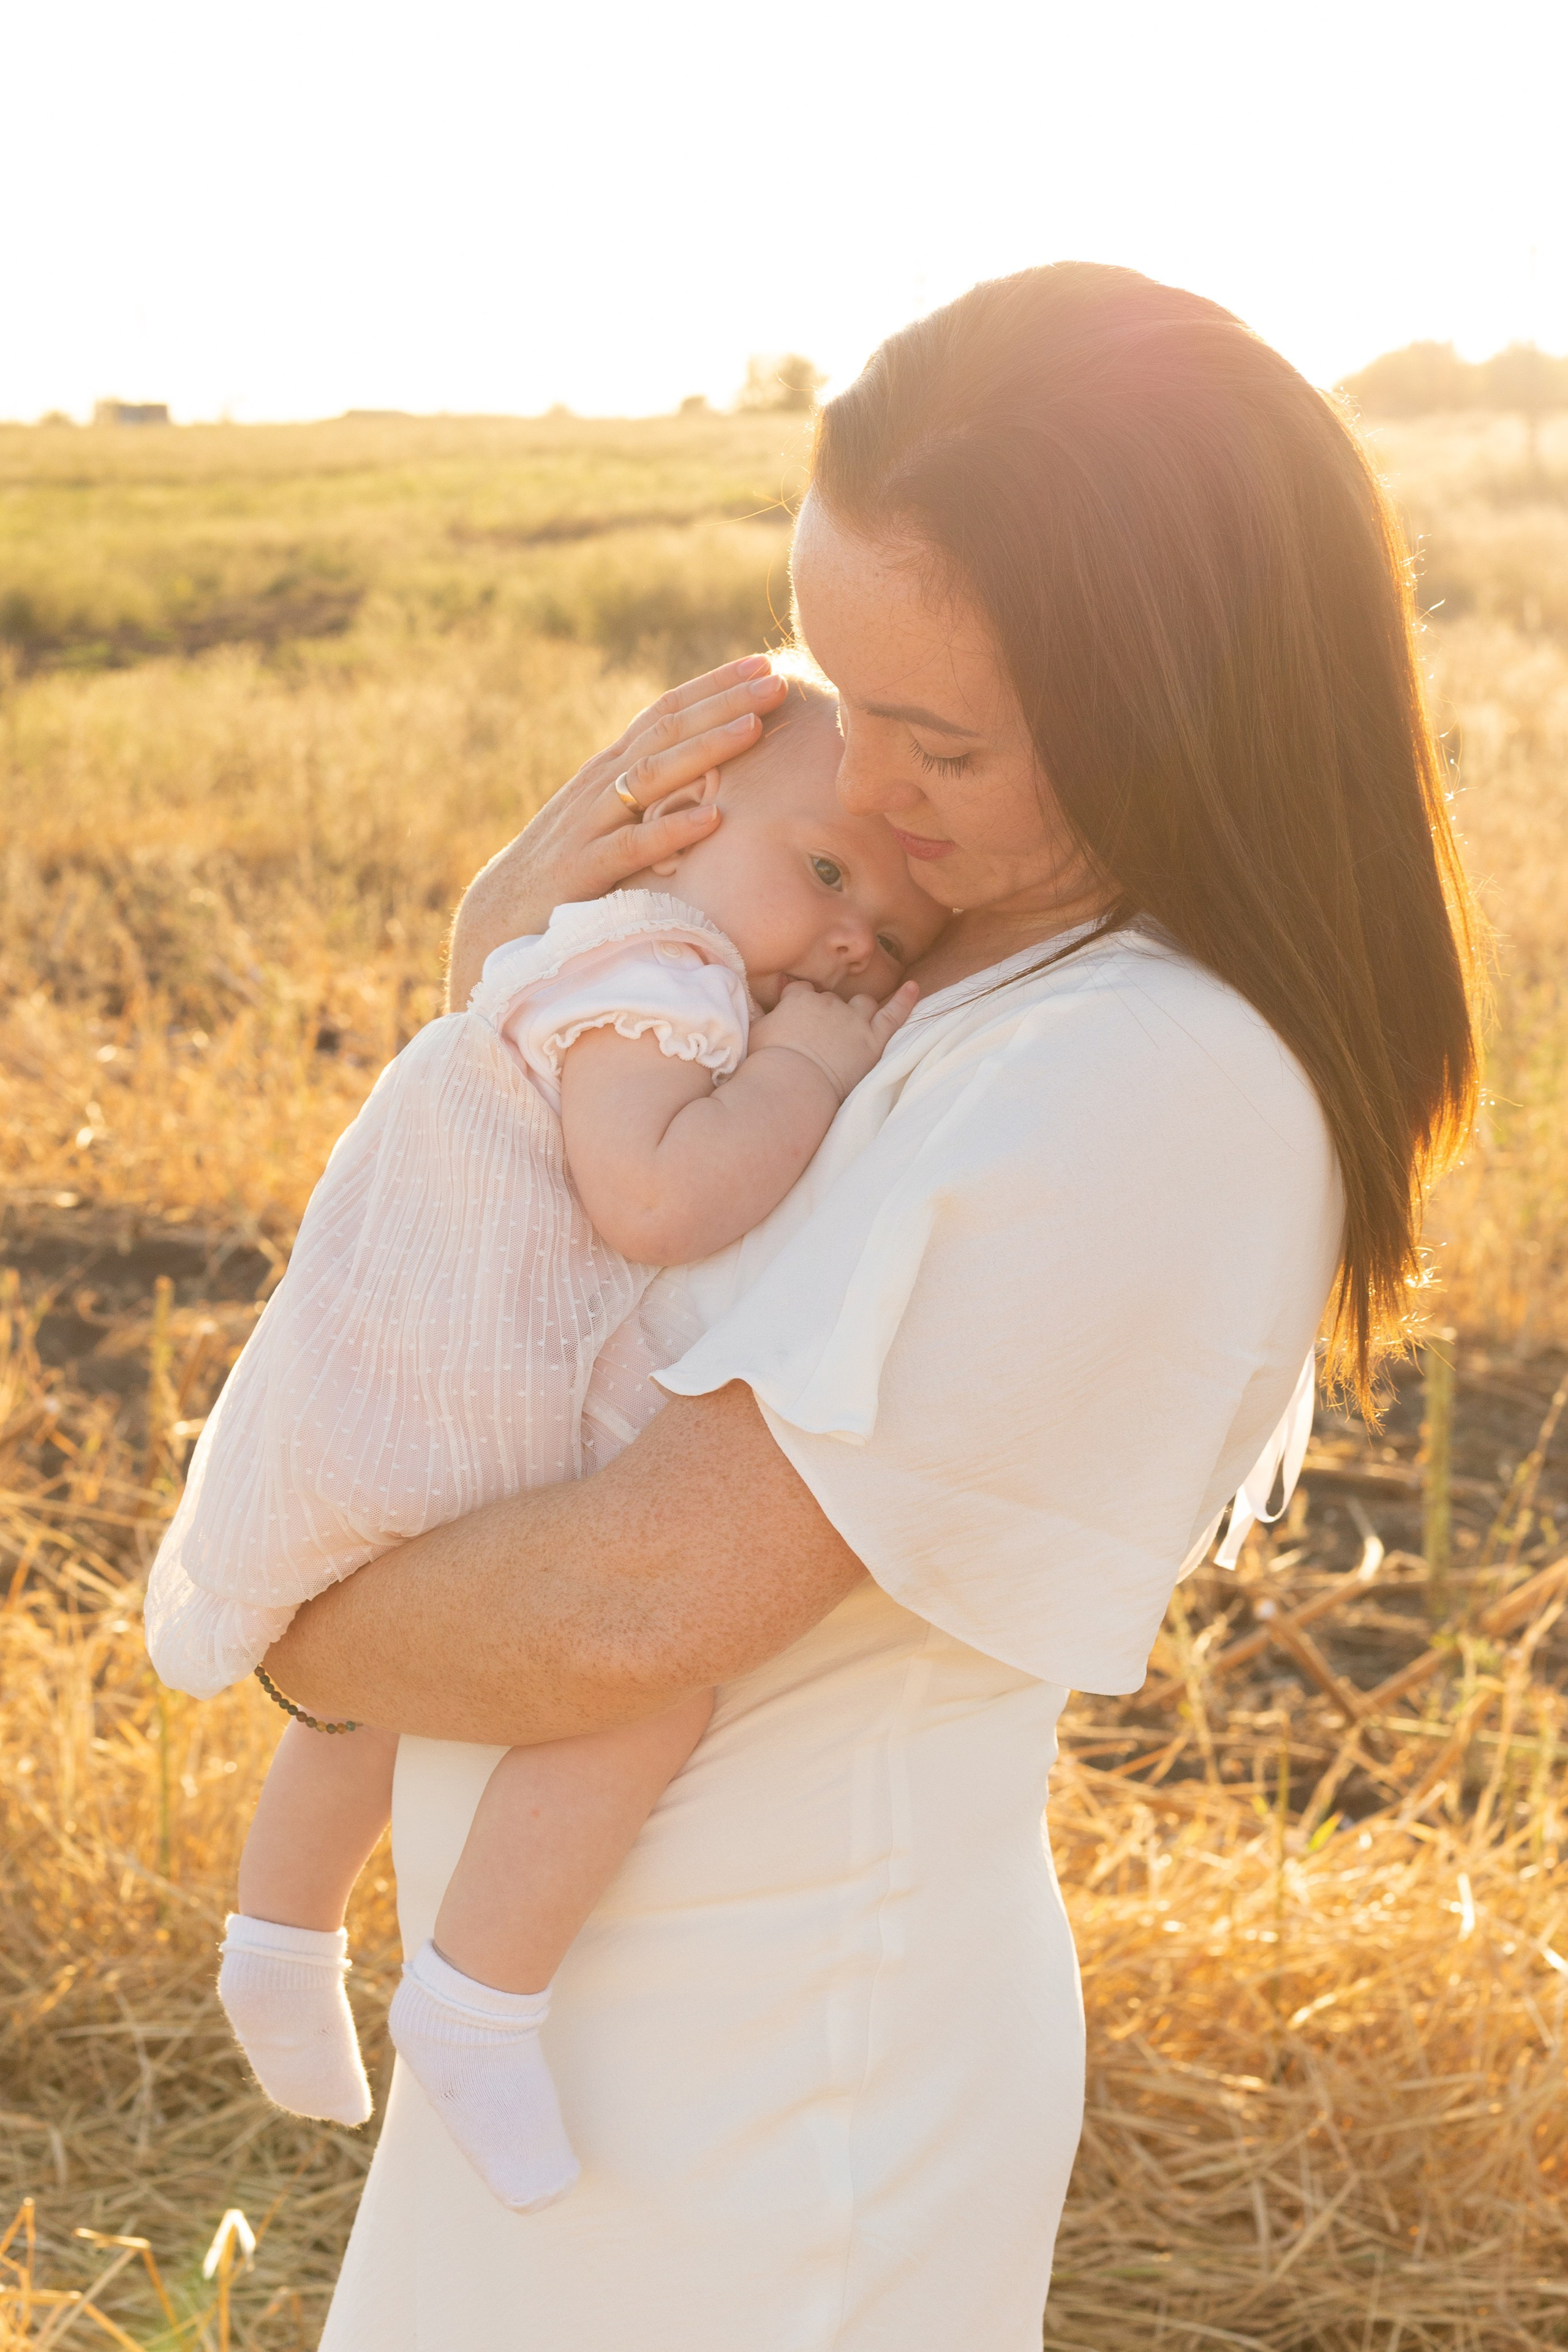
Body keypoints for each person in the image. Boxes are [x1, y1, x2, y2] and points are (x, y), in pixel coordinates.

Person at [267, 263, 1477, 2352]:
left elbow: (624, 1608)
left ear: (1181, 702)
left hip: (771, 2086)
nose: (865, 787)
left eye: (942, 739)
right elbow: (525, 1289)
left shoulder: (1140, 1072)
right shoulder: (932, 970)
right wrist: (511, 972)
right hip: (603, 2037)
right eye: (843, 693)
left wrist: (276, 1604)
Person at [143, 679, 943, 2211]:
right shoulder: (671, 977)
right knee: (641, 1683)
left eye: (889, 939)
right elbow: (650, 1201)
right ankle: (474, 1999)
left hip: (422, 1362)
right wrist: (803, 1076)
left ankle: (279, 1937)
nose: (850, 942)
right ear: (673, 829)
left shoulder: (618, 955)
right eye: (827, 875)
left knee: (371, 1683)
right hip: (469, 1383)